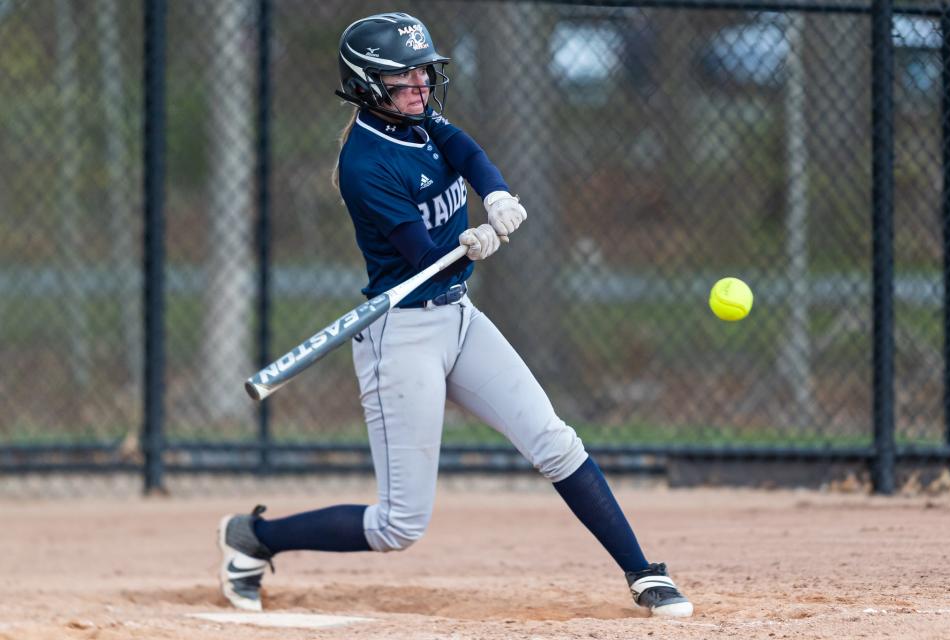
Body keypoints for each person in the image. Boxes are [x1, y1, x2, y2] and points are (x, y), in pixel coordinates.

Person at [217, 12, 693, 619]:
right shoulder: (367, 164)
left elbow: (462, 148)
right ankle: (253, 539)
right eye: (403, 77)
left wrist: (491, 191)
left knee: (553, 439)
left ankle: (643, 572)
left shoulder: (416, 120)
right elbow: (425, 257)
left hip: (458, 319)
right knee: (399, 524)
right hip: (402, 337)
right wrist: (468, 245)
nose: (420, 84)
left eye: (422, 71)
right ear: (367, 85)